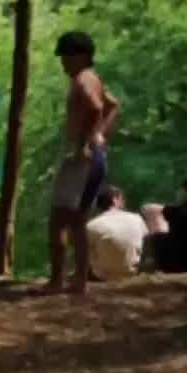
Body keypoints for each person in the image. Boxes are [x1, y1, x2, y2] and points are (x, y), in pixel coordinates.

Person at [48, 30, 121, 296]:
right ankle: (79, 280)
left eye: (67, 56)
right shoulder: (93, 78)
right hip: (96, 156)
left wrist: (82, 144)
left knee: (58, 220)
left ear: (82, 56)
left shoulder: (82, 80)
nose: (63, 62)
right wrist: (101, 134)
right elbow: (113, 105)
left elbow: (94, 107)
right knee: (78, 221)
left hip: (82, 159)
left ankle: (56, 282)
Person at [141, 179, 187, 276]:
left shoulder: (174, 211)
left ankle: (143, 271)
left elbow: (148, 208)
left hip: (175, 265)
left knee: (150, 238)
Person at [86, 187, 147, 281]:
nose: (124, 203)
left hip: (103, 277)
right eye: (122, 199)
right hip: (134, 273)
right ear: (115, 200)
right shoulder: (137, 219)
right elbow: (146, 244)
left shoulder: (91, 225)